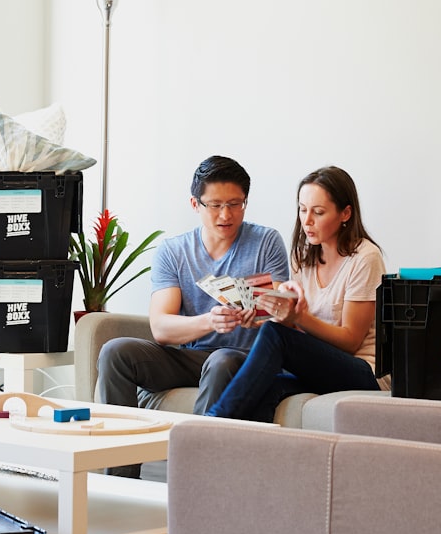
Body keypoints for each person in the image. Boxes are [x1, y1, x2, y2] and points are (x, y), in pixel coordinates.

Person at [97, 155, 290, 422]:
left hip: (244, 358)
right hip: (192, 357)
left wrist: (258, 318)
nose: (226, 214)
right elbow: (161, 328)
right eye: (215, 205)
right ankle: (120, 462)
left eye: (235, 204)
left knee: (221, 360)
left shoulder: (266, 241)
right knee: (115, 352)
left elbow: (281, 312)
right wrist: (210, 321)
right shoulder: (174, 251)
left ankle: (195, 455)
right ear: (195, 204)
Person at [204, 165, 387, 422]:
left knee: (274, 334)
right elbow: (297, 333)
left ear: (345, 213)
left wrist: (298, 318)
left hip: (363, 372)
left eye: (318, 212)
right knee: (263, 387)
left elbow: (350, 341)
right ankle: (246, 458)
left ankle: (211, 422)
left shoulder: (365, 258)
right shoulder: (304, 256)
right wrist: (267, 312)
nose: (307, 221)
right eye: (302, 210)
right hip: (322, 367)